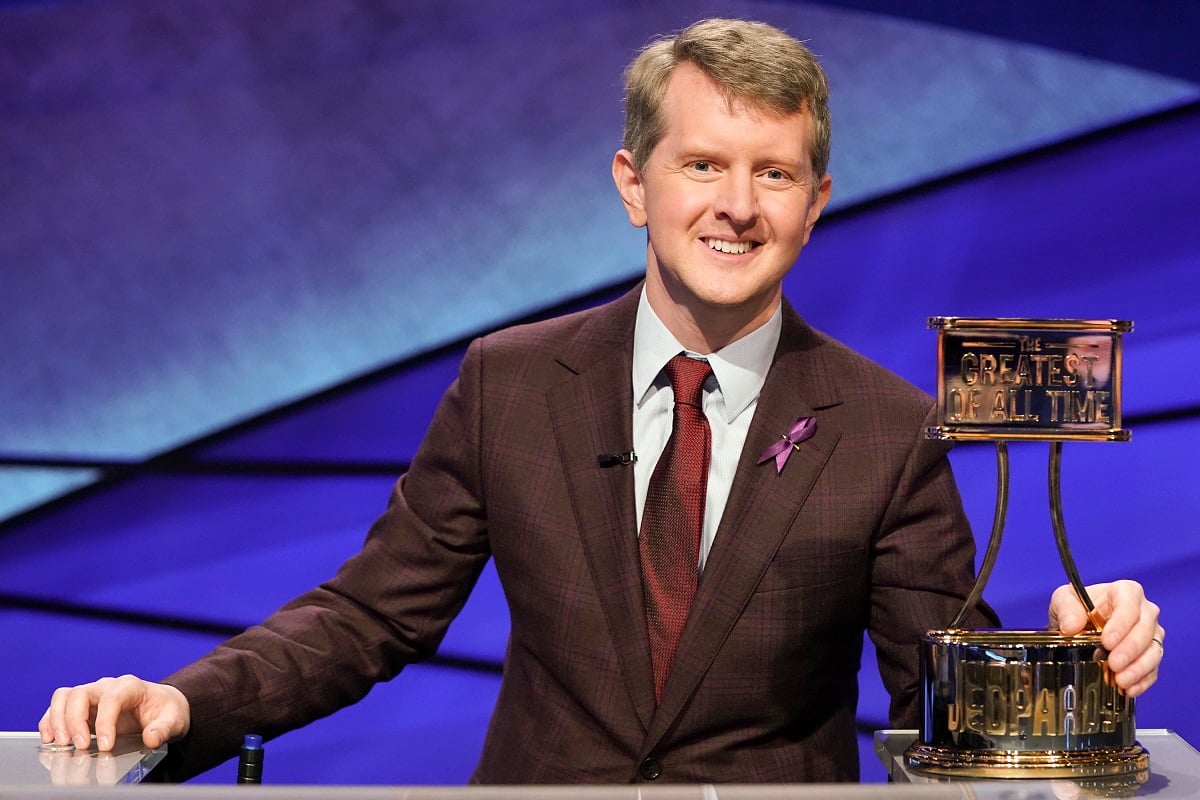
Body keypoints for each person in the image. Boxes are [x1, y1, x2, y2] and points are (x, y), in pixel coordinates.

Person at [40, 18, 1164, 783]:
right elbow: (371, 615)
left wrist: (1066, 664)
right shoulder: (510, 383)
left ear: (816, 203)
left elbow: (939, 687)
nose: (737, 205)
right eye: (702, 165)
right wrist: (185, 699)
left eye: (772, 173)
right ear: (634, 185)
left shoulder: (881, 424)